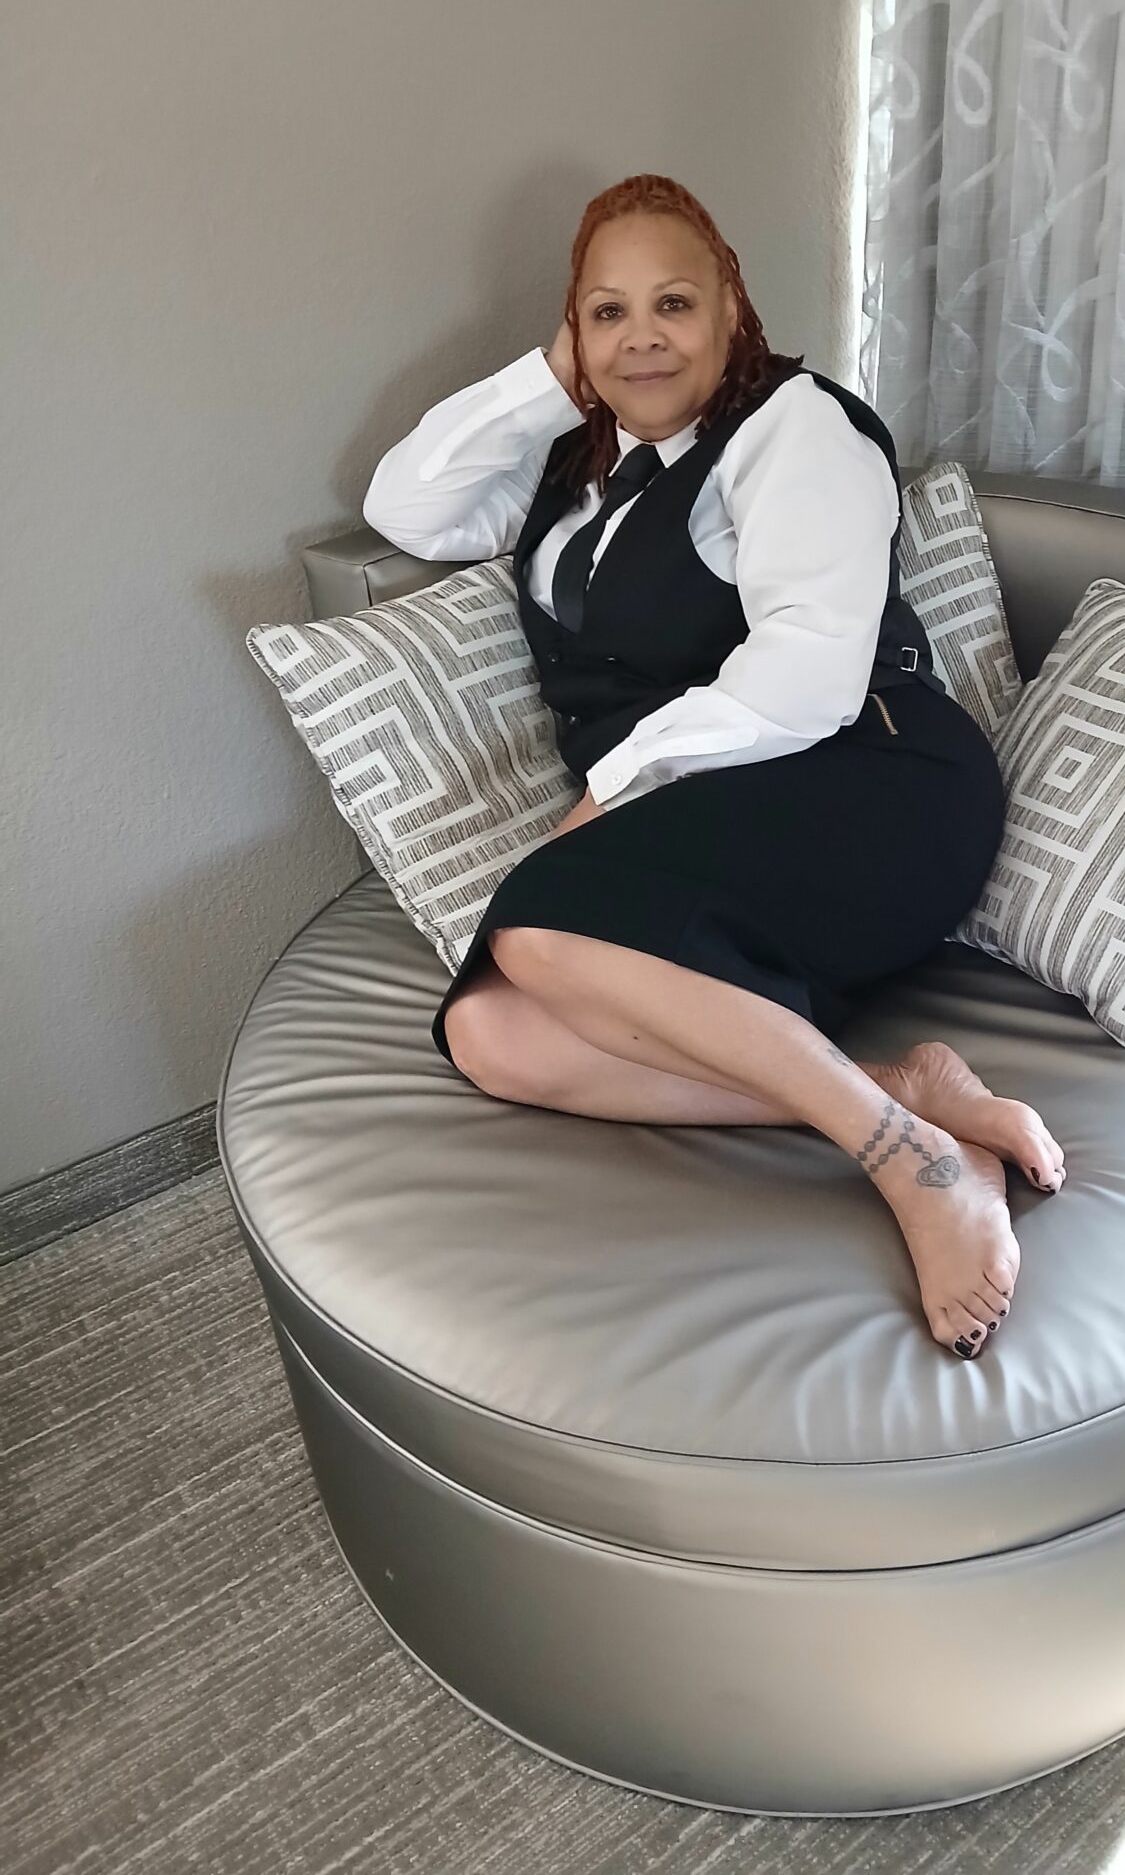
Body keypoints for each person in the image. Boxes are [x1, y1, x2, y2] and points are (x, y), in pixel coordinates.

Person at [362, 173, 1066, 1362]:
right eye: (608, 313)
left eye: (674, 303)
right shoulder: (577, 466)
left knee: (532, 931)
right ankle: (904, 1090)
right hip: (709, 815)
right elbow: (406, 505)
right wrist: (550, 382)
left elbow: (809, 675)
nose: (643, 337)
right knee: (493, 1036)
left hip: (873, 778)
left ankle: (910, 1165)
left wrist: (608, 790)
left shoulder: (797, 427)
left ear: (733, 306)